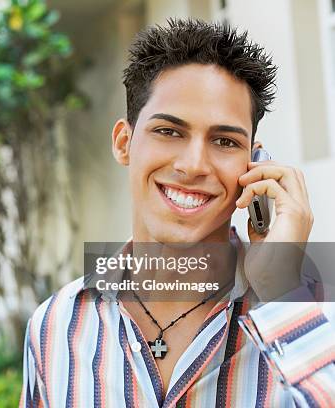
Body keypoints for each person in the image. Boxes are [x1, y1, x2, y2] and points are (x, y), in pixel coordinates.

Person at [19, 19, 334, 407]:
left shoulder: (312, 315)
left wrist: (282, 287)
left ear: (254, 163)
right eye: (169, 131)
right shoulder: (54, 326)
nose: (194, 164)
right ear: (123, 143)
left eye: (224, 141)